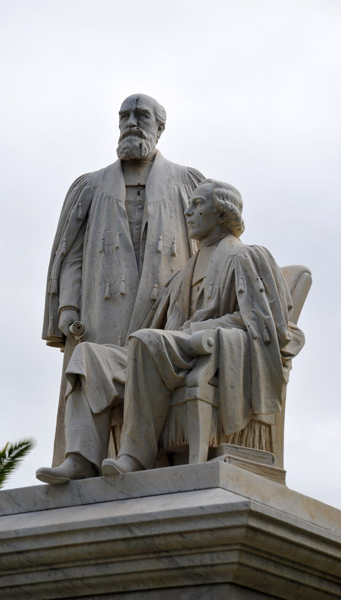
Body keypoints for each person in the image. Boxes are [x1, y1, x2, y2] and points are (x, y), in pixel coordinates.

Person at [36, 180, 305, 483]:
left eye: (197, 204)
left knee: (145, 341)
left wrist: (201, 331)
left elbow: (264, 324)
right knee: (89, 357)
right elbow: (158, 328)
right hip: (167, 352)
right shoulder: (183, 275)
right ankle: (81, 459)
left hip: (206, 351)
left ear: (222, 213)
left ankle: (134, 458)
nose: (187, 212)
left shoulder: (248, 256)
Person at [43, 94, 205, 466]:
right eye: (125, 115)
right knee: (89, 368)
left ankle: (148, 458)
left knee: (149, 371)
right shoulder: (90, 185)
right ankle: (83, 460)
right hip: (103, 312)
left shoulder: (187, 181)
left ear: (159, 127)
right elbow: (74, 254)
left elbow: (207, 247)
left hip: (166, 309)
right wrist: (68, 305)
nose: (132, 121)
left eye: (142, 115)